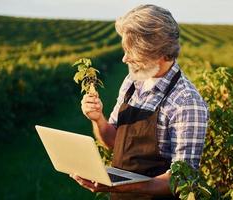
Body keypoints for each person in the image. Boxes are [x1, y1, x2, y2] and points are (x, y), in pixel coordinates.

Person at [71, 4, 209, 200]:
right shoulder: (132, 81)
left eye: (131, 52)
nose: (125, 59)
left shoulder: (186, 103)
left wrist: (117, 186)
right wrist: (98, 120)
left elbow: (181, 181)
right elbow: (114, 142)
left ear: (156, 52)